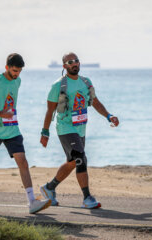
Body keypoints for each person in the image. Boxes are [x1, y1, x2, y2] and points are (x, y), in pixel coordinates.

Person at [0, 53, 51, 214]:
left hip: (12, 129)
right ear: (7, 67)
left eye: (19, 71)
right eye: (14, 71)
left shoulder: (18, 81)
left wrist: (7, 116)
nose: (16, 74)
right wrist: (1, 114)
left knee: (23, 162)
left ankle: (32, 201)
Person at [39, 52, 119, 208]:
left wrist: (109, 116)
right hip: (65, 127)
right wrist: (45, 132)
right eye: (70, 62)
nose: (74, 64)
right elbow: (50, 110)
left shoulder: (86, 82)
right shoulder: (58, 85)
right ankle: (87, 198)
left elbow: (95, 102)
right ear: (64, 66)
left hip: (80, 128)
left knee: (72, 162)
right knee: (81, 158)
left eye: (76, 61)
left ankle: (49, 188)